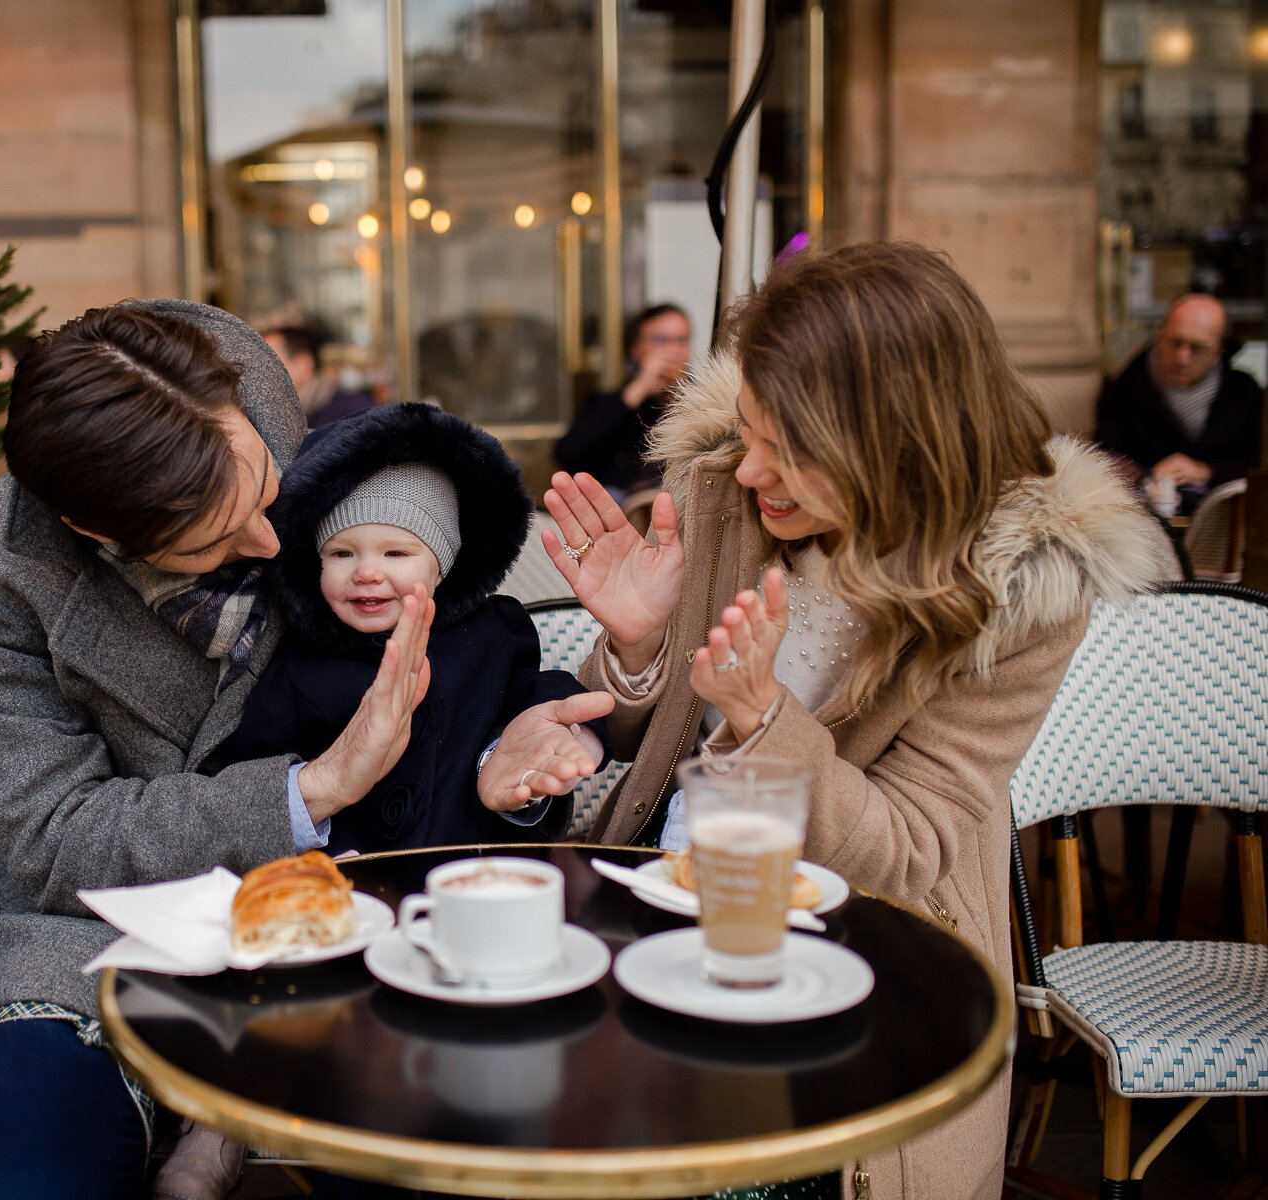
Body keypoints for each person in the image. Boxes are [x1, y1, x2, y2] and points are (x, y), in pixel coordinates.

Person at [0, 299, 611, 1200]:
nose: (272, 543)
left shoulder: (253, 392)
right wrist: (310, 788)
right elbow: (56, 838)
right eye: (216, 537)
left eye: (263, 490)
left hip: (344, 892)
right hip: (96, 923)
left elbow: (449, 613)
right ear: (98, 535)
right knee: (28, 1173)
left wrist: (579, 687)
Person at [542, 243, 1172, 1200]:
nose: (747, 467)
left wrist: (763, 718)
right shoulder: (725, 494)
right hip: (661, 908)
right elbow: (653, 747)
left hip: (864, 957)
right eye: (746, 430)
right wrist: (635, 650)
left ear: (892, 440)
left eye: (787, 449)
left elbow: (909, 851)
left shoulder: (1020, 593)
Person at [222, 401, 609, 853]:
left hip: (479, 872)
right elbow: (260, 771)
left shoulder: (491, 636)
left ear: (441, 566)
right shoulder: (297, 664)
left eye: (396, 554)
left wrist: (573, 734)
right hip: (361, 892)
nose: (366, 572)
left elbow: (534, 698)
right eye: (342, 554)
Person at [1094, 292, 1264, 497]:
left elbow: (1259, 460)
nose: (1182, 358)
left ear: (1219, 350)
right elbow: (1106, 458)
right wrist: (1146, 477)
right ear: (1159, 337)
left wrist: (1208, 471)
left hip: (1224, 513)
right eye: (1175, 343)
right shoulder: (1123, 389)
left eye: (1197, 348)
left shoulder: (1244, 392)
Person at [553, 303, 694, 498]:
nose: (672, 350)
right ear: (636, 349)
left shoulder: (699, 400)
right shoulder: (610, 402)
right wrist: (638, 389)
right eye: (660, 340)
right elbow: (568, 453)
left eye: (681, 340)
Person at [264, 323, 378, 427]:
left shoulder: (355, 413)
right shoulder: (271, 417)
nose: (260, 374)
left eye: (268, 364)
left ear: (303, 364)